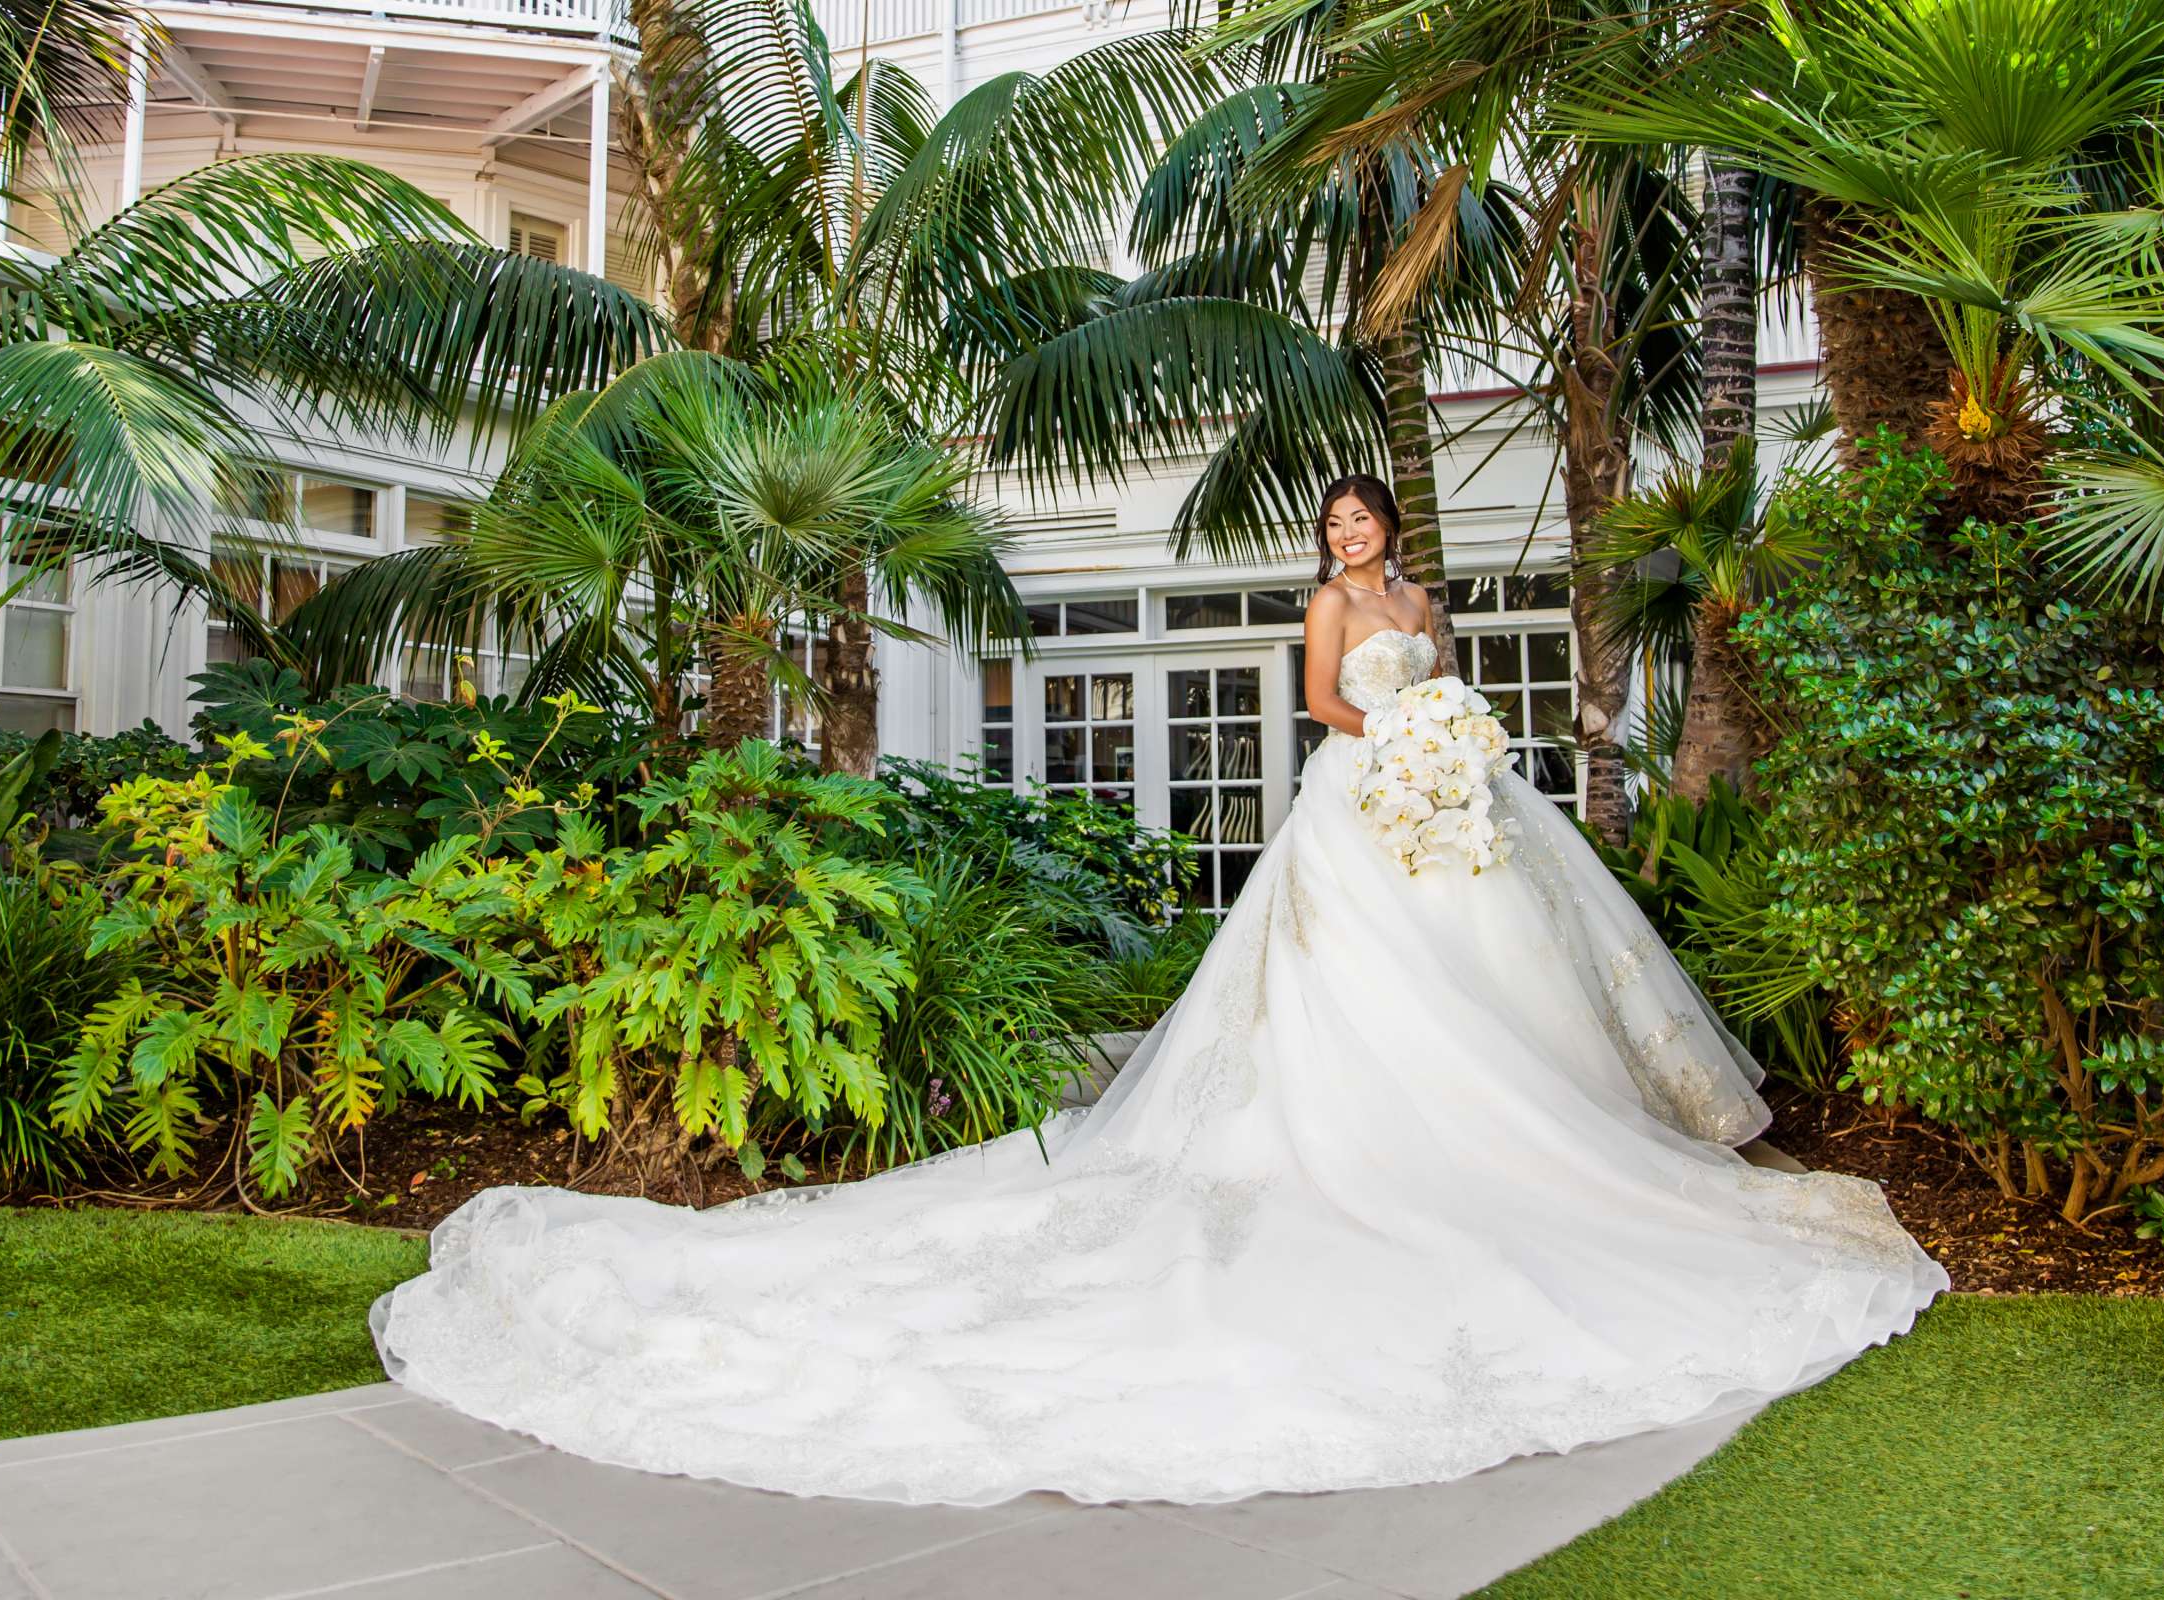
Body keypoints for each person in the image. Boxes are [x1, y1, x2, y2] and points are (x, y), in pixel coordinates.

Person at [371, 473, 1945, 1508]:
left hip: (1457, 802)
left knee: (1508, 971)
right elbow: (1326, 702)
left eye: (1358, 531)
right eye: (1331, 535)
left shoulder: (1427, 605)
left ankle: (1533, 1124)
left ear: (1388, 534)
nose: (1346, 551)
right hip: (1361, 805)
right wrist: (1398, 743)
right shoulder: (1334, 619)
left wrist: (1454, 735)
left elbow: (1437, 679)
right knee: (1352, 993)